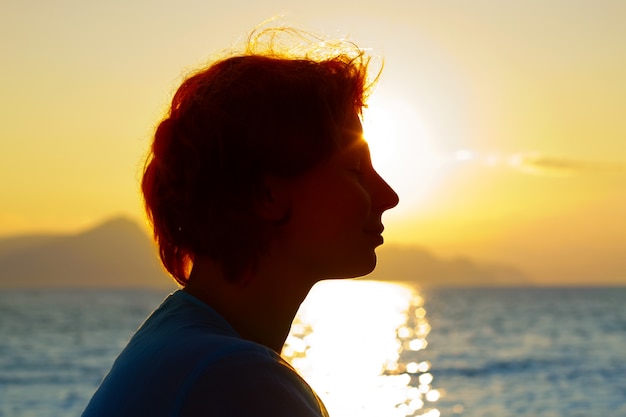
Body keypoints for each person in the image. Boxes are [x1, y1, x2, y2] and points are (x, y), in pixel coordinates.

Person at [82, 28, 399, 417]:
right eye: (355, 169)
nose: (388, 197)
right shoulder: (235, 381)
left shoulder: (182, 345)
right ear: (266, 195)